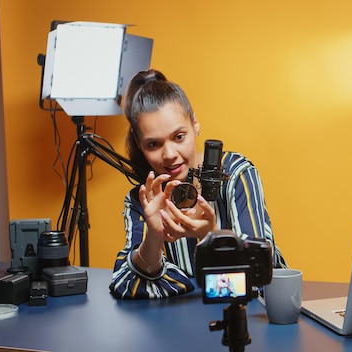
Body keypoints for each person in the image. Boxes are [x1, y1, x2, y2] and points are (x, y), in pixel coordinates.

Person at [109, 69, 287, 299]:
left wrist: (209, 237)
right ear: (140, 146)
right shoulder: (141, 200)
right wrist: (153, 237)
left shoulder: (235, 174)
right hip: (178, 325)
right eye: (153, 144)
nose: (170, 154)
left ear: (195, 125)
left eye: (179, 137)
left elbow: (259, 276)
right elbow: (125, 286)